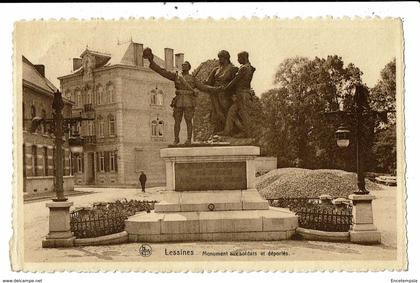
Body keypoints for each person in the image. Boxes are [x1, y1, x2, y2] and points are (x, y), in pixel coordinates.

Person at [143, 47, 199, 145]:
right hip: (178, 101)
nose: (183, 66)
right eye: (182, 65)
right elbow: (162, 72)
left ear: (189, 68)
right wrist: (151, 61)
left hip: (188, 101)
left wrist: (218, 89)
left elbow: (204, 87)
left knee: (189, 121)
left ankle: (189, 139)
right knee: (177, 121)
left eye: (185, 65)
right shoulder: (176, 76)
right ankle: (176, 139)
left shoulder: (193, 79)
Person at [217, 51, 256, 138]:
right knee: (231, 112)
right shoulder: (250, 67)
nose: (238, 60)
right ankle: (227, 131)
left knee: (244, 114)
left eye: (239, 58)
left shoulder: (244, 68)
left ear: (244, 58)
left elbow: (235, 81)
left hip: (242, 94)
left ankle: (248, 134)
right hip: (243, 94)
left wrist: (225, 88)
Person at [204, 50, 238, 133]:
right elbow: (209, 81)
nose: (219, 60)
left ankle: (232, 130)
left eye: (221, 58)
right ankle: (220, 129)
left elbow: (236, 83)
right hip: (215, 93)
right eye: (219, 58)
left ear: (226, 58)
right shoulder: (216, 69)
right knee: (217, 112)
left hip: (226, 94)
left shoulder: (233, 69)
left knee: (226, 111)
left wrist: (234, 95)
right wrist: (203, 82)